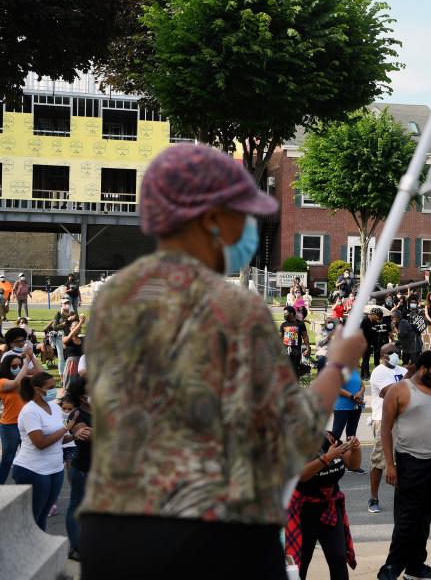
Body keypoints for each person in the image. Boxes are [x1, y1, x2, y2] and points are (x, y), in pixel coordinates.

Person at [79, 143, 365, 578]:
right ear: (209, 219)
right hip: (211, 532)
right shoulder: (231, 306)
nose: (248, 227)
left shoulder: (113, 298)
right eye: (240, 214)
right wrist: (337, 365)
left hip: (115, 528)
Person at [378, 351, 431, 580]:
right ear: (422, 368)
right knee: (407, 518)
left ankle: (415, 565)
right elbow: (385, 429)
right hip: (411, 461)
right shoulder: (401, 390)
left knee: (424, 518)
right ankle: (391, 567)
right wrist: (390, 465)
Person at [285, 432, 359, 580]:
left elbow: (353, 464)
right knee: (300, 563)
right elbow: (301, 475)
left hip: (330, 508)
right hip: (304, 511)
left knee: (338, 558)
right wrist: (327, 458)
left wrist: (356, 449)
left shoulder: (329, 437)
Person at [12, 372, 74, 530]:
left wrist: (76, 435)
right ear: (38, 390)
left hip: (55, 468)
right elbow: (40, 443)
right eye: (51, 387)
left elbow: (59, 438)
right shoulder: (29, 411)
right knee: (33, 518)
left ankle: (39, 550)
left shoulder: (53, 406)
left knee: (43, 514)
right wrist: (66, 428)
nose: (55, 390)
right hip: (33, 469)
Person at [368, 343, 407, 514]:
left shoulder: (402, 371)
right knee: (380, 461)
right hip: (383, 420)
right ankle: (373, 497)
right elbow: (387, 393)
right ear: (383, 355)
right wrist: (410, 378)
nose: (395, 354)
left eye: (396, 351)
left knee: (404, 460)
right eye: (391, 352)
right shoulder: (379, 372)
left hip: (403, 419)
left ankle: (404, 498)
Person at [61, 377, 93, 561]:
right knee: (76, 505)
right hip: (82, 467)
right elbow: (86, 434)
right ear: (82, 397)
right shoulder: (77, 414)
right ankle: (75, 547)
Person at [0, 352, 38, 484]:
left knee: (29, 458)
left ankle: (23, 486)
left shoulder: (25, 379)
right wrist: (26, 362)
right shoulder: (2, 382)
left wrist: (32, 356)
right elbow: (15, 383)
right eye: (14, 365)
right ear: (6, 367)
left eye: (19, 365)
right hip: (10, 425)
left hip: (27, 424)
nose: (17, 367)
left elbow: (42, 375)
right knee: (8, 458)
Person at [331, 361, 364, 463]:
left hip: (356, 406)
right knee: (336, 435)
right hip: (342, 407)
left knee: (351, 435)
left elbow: (362, 385)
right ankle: (331, 459)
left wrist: (360, 393)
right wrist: (352, 397)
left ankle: (350, 461)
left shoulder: (354, 370)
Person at [361, 308, 390, 381]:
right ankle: (367, 375)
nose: (378, 318)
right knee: (365, 359)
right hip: (363, 343)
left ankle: (362, 375)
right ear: (373, 314)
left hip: (371, 343)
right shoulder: (365, 321)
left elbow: (374, 333)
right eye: (377, 316)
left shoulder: (374, 322)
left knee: (366, 359)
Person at [280, 305, 311, 376]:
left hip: (296, 351)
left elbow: (305, 336)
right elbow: (280, 337)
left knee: (294, 370)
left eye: (286, 313)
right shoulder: (283, 325)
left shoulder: (300, 324)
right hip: (285, 351)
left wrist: (308, 347)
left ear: (291, 313)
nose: (284, 315)